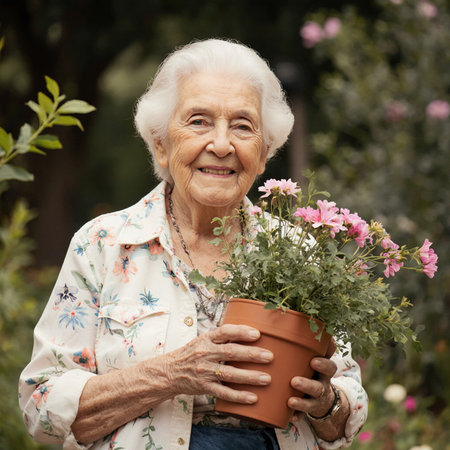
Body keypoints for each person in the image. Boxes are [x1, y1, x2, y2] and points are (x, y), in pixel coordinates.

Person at [19, 38, 368, 449]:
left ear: (263, 154)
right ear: (162, 145)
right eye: (199, 121)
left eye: (242, 126)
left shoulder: (298, 253)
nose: (221, 145)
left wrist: (326, 402)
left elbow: (347, 406)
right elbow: (41, 405)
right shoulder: (102, 245)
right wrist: (172, 374)